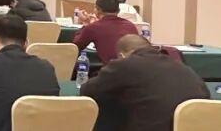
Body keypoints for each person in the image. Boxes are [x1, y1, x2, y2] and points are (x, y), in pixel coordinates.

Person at [81, 35, 209, 131]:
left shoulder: (125, 65)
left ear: (122, 55)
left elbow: (88, 90)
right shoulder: (182, 66)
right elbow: (205, 95)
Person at [73, 0, 139, 63]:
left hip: (114, 68)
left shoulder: (94, 27)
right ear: (118, 11)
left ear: (97, 10)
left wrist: (85, 23)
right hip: (137, 66)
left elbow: (75, 47)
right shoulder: (130, 25)